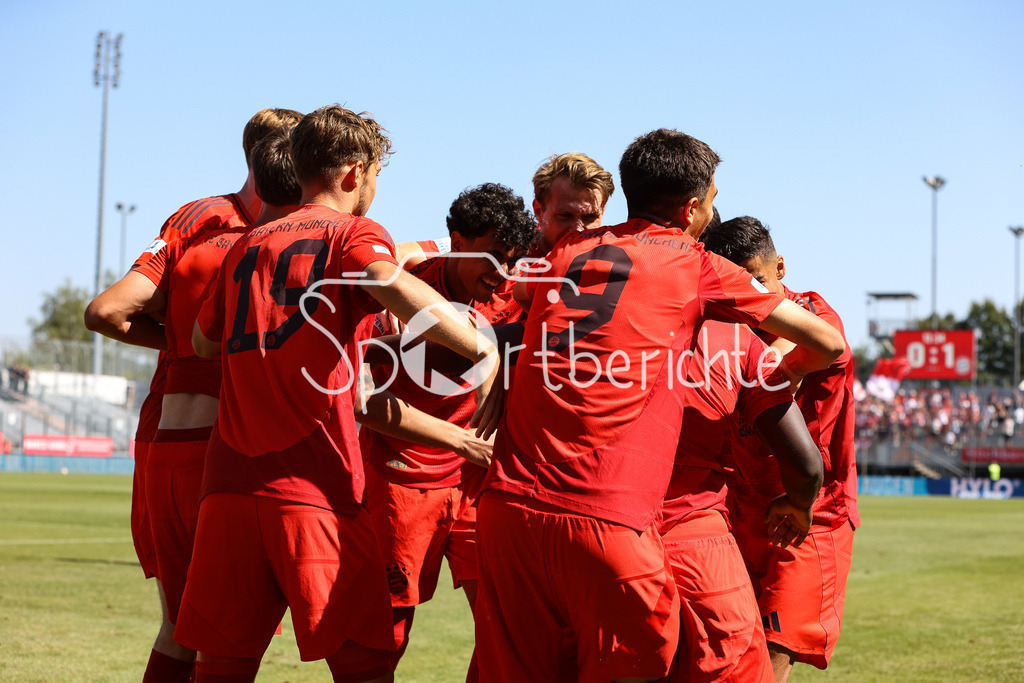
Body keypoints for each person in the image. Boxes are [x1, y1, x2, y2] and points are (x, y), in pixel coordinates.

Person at [473, 128, 845, 682]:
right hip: (611, 515)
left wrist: (502, 363)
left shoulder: (567, 251)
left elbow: (511, 309)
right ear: (694, 208)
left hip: (507, 508)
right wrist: (783, 373)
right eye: (711, 199)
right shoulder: (698, 267)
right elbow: (828, 344)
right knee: (655, 663)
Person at [174, 104, 501, 683]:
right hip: (313, 486)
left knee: (221, 668)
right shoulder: (352, 232)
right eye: (375, 175)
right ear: (355, 172)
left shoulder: (247, 244)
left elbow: (203, 342)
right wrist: (481, 345)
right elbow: (383, 279)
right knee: (366, 664)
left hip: (227, 488)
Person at [84, 107, 303, 682]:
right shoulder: (293, 231)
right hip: (231, 446)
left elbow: (107, 311)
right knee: (224, 633)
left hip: (168, 438)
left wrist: (183, 343)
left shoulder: (196, 216)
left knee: (186, 627)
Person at [359, 183, 535, 673]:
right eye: (494, 257)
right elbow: (362, 400)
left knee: (508, 627)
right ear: (457, 240)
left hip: (481, 484)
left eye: (513, 260)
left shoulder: (513, 294)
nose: (504, 273)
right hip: (403, 478)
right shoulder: (399, 290)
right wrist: (461, 441)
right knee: (387, 636)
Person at [702, 216, 859, 682]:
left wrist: (775, 363)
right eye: (736, 288)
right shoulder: (723, 324)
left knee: (776, 645)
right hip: (737, 508)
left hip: (811, 514)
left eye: (757, 281)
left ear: (781, 268)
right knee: (726, 645)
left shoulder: (816, 313)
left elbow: (817, 345)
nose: (748, 298)